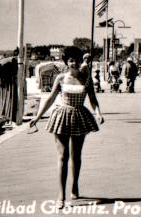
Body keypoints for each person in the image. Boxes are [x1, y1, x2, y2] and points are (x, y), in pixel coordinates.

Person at [29, 47, 103, 208]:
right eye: (71, 60)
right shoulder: (61, 78)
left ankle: (74, 185)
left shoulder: (86, 79)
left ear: (80, 61)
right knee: (63, 155)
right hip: (62, 115)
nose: (74, 63)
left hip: (79, 116)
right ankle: (61, 194)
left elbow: (92, 98)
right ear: (66, 62)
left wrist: (98, 112)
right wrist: (37, 116)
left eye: (76, 60)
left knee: (76, 154)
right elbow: (50, 98)